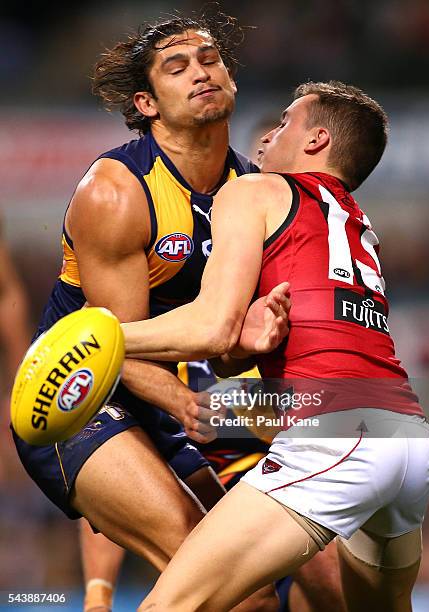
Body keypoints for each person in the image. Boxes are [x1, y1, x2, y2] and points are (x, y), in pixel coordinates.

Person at [120, 81, 429, 612]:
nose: (266, 136)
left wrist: (101, 335)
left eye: (284, 123)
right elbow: (232, 344)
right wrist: (242, 348)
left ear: (316, 140)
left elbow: (210, 325)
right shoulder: (357, 224)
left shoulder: (253, 191)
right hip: (406, 441)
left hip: (339, 436)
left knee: (167, 607)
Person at [11, 13, 289, 611]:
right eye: (177, 67)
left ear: (233, 80)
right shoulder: (117, 191)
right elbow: (117, 343)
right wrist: (193, 401)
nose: (201, 73)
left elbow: (221, 344)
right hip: (81, 394)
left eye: (211, 60)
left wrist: (257, 335)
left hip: (176, 394)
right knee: (206, 571)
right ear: (147, 102)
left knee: (260, 595)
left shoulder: (250, 188)